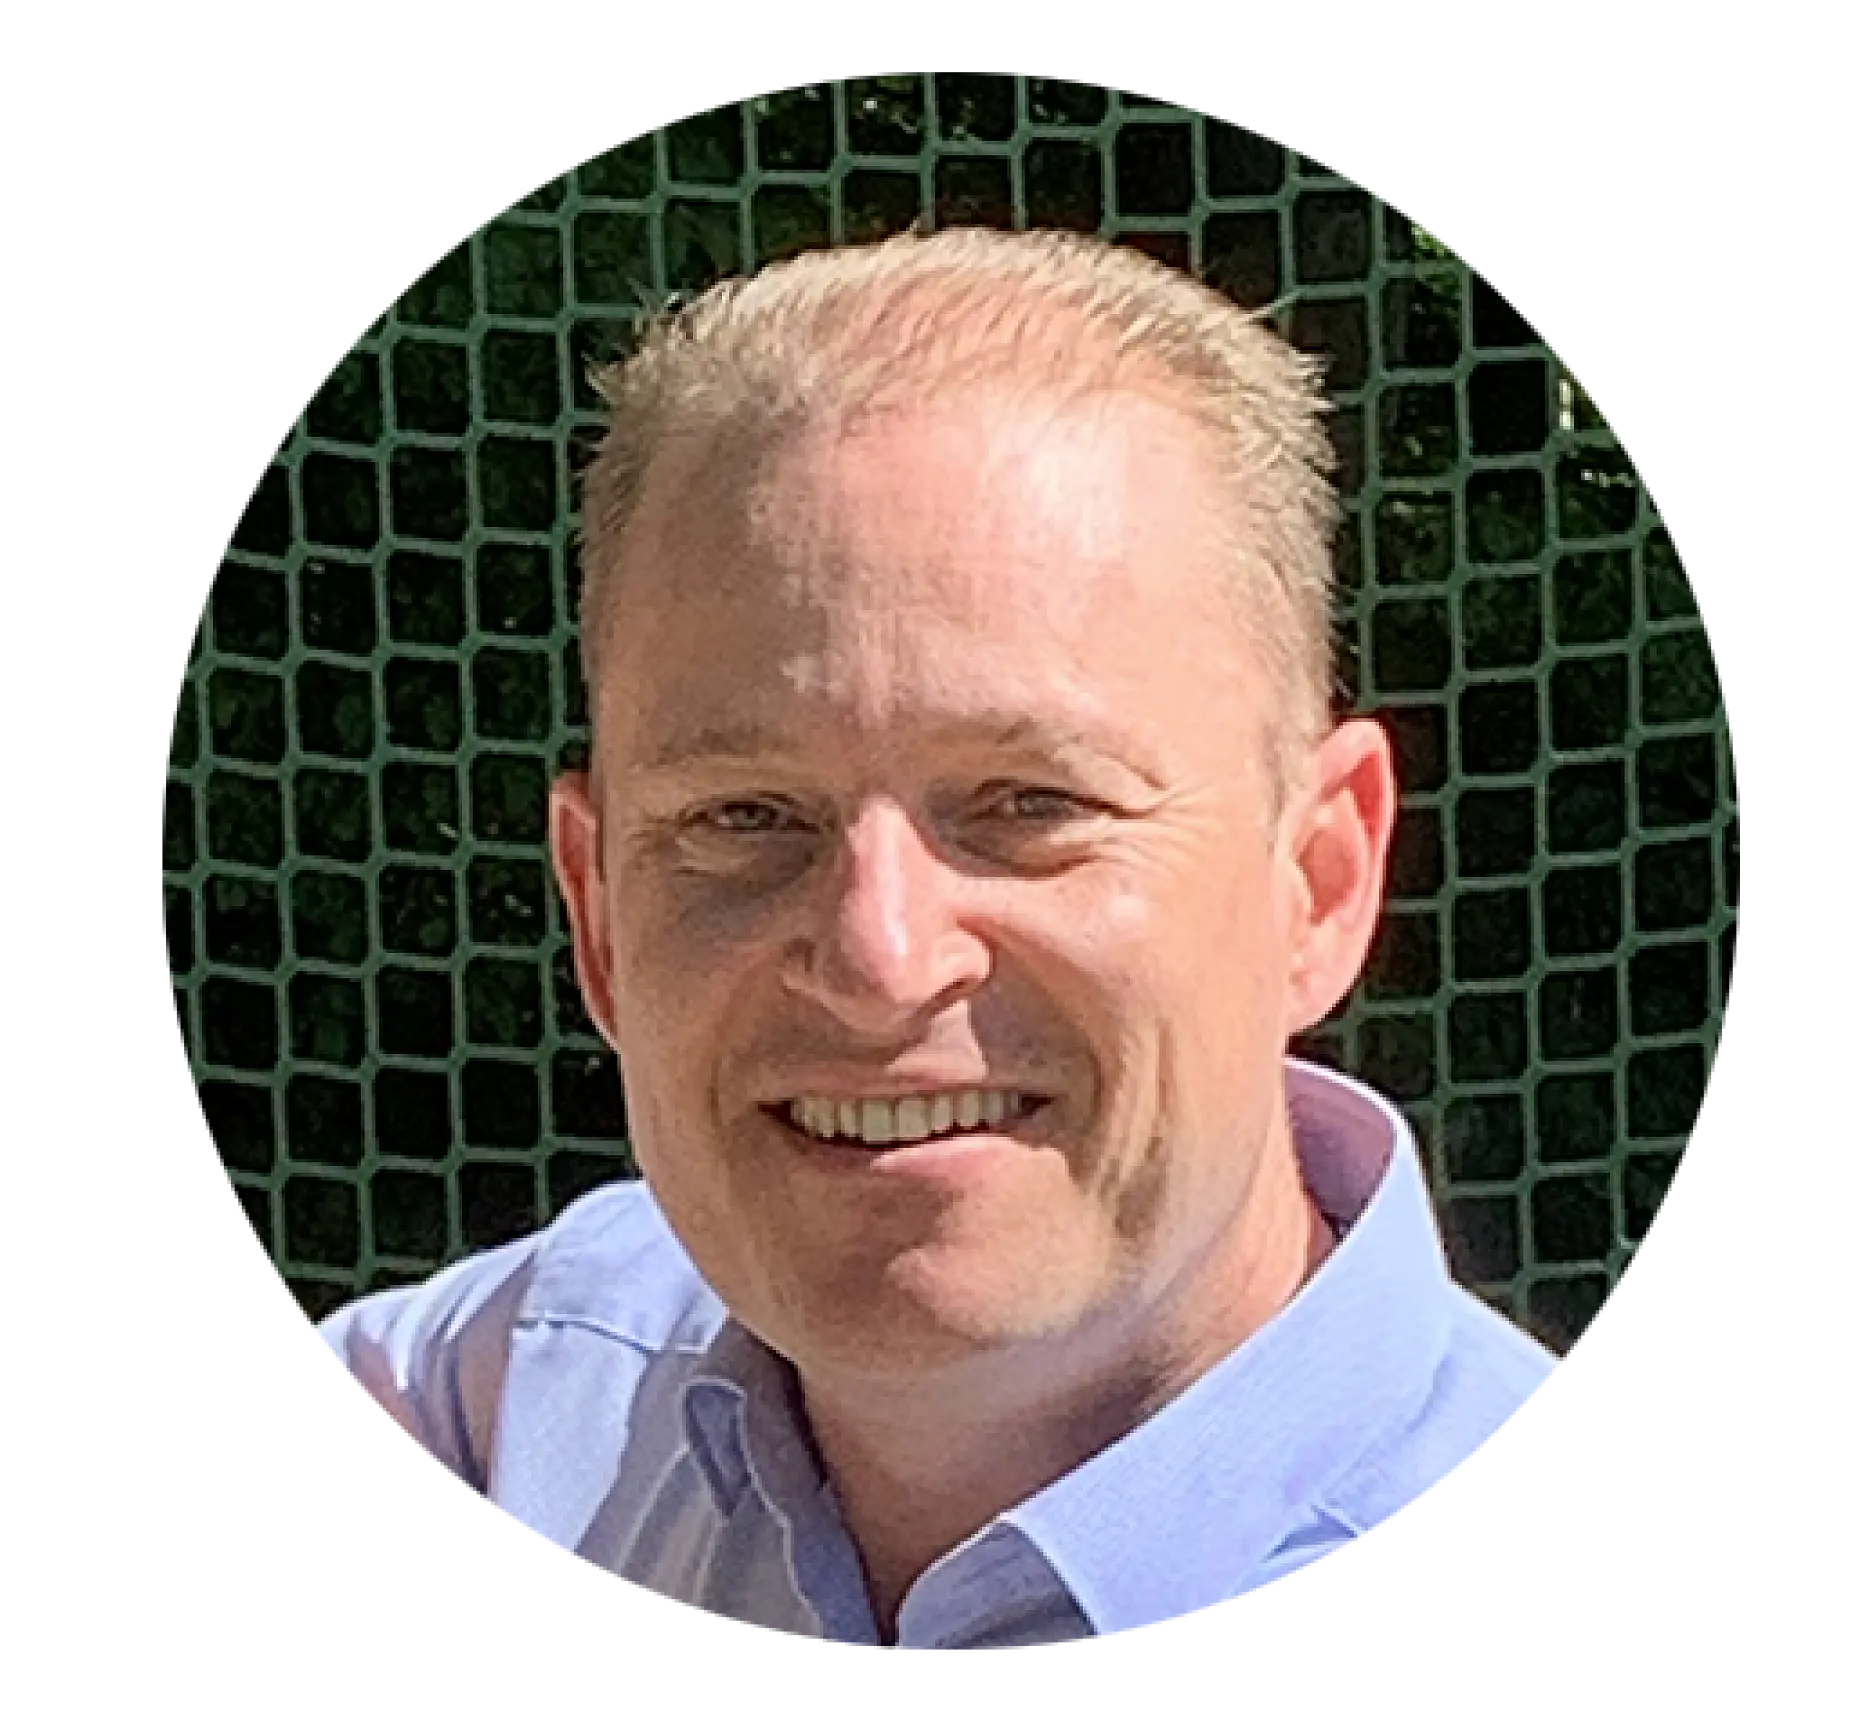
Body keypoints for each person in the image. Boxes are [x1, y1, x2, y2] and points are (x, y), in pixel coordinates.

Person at [313, 223, 1562, 1650]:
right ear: (596, 914)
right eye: (745, 816)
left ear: (1321, 880)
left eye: (1030, 804)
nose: (881, 958)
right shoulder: (505, 1413)